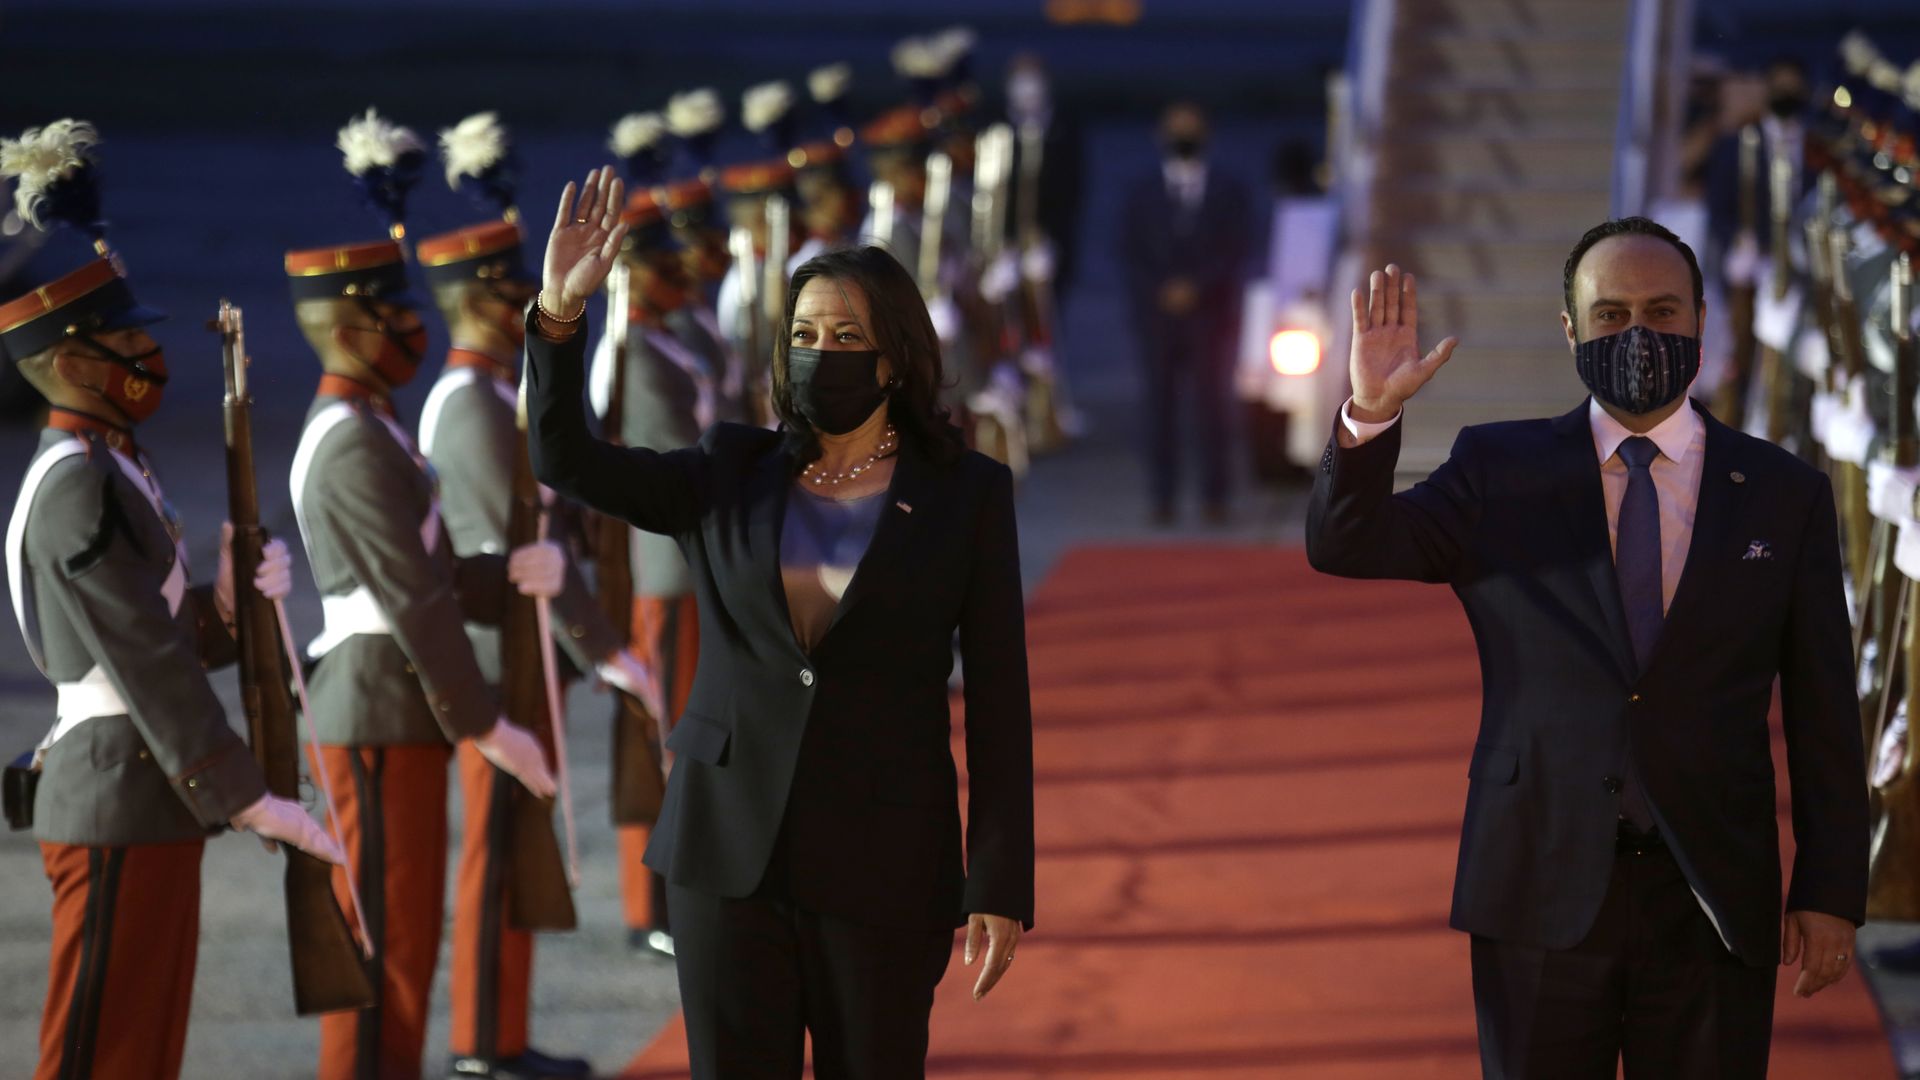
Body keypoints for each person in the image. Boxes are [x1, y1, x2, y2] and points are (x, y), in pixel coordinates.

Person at [1306, 218, 1869, 1077]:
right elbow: (1351, 546)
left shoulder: (1783, 494)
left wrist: (1831, 890)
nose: (1637, 333)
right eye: (1610, 315)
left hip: (1712, 891)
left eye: (1662, 309)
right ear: (1570, 329)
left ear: (1702, 320)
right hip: (1536, 881)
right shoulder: (1501, 468)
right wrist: (1371, 417)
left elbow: (1827, 707)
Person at [526, 167, 1034, 1079]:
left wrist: (998, 879)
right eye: (803, 335)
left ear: (893, 357)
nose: (819, 352)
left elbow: (999, 697)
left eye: (845, 335)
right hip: (726, 859)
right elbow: (564, 457)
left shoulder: (966, 494)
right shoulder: (728, 470)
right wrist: (561, 314)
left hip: (884, 865)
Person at [2, 255, 344, 1080]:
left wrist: (226, 604)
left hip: (146, 786)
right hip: (117, 788)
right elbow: (143, 656)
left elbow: (156, 622)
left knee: (146, 1037)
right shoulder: (78, 485)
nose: (144, 352)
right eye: (124, 338)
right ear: (78, 363)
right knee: (99, 1042)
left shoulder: (113, 464)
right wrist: (245, 792)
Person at [283, 236, 559, 1080]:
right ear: (347, 327)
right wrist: (485, 724)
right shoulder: (355, 442)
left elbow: (431, 571)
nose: (412, 326)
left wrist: (508, 573)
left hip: (391, 703)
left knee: (403, 935)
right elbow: (412, 599)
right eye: (391, 314)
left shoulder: (374, 429)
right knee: (382, 941)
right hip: (372, 706)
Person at [415, 217, 654, 1079]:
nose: (531, 301)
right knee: (497, 848)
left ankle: (504, 1032)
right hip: (497, 659)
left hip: (523, 649)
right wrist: (599, 643)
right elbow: (527, 536)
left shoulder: (489, 396)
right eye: (515, 293)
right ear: (478, 303)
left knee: (520, 848)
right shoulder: (471, 406)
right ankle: (483, 1039)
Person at [585, 189, 722, 958]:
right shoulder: (634, 355)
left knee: (686, 730)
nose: (682, 270)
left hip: (688, 562)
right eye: (664, 262)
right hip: (665, 569)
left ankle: (676, 892)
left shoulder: (664, 341)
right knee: (665, 731)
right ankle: (654, 903)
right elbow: (679, 453)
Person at [1121, 100, 1252, 525]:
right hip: (1156, 319)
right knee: (1159, 410)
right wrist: (1161, 290)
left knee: (1213, 409)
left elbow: (1238, 247)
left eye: (1190, 127)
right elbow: (1128, 251)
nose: (1183, 136)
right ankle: (1163, 497)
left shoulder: (1228, 189)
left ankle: (1216, 496)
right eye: (1175, 127)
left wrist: (1197, 286)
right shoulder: (1141, 192)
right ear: (1161, 135)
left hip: (1210, 317)